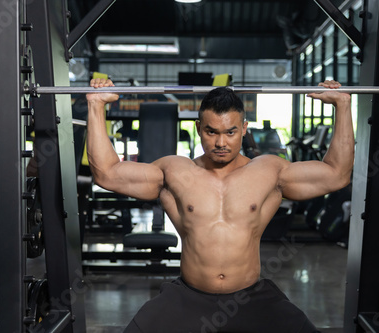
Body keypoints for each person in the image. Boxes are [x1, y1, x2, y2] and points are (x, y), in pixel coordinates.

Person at [86, 79, 354, 333]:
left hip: (252, 298)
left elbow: (336, 174)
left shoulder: (268, 171)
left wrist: (342, 105)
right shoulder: (176, 170)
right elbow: (107, 173)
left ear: (244, 128)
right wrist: (96, 106)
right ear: (198, 127)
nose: (221, 143)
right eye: (211, 131)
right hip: (187, 298)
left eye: (230, 132)